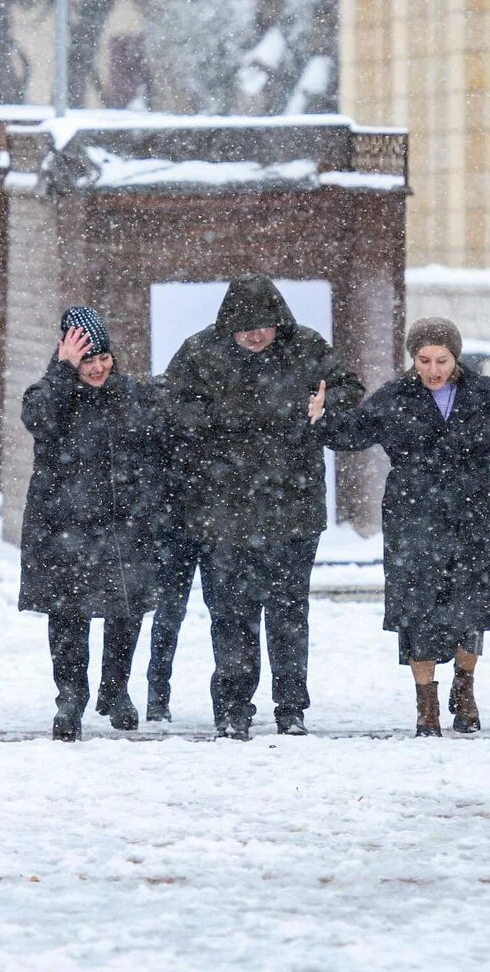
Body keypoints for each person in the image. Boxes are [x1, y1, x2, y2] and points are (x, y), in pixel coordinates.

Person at [314, 318, 490, 736]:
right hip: (412, 513)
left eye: (441, 360)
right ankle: (426, 704)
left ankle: (465, 688)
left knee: (471, 602)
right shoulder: (396, 397)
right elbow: (352, 431)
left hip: (469, 511)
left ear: (455, 357)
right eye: (423, 360)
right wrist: (321, 418)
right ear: (413, 359)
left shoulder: (481, 394)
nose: (433, 369)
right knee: (417, 605)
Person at [162, 277, 365, 738]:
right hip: (221, 508)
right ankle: (233, 707)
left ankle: (291, 706)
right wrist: (218, 422)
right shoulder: (199, 353)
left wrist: (327, 403)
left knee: (289, 610)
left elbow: (350, 389)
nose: (255, 335)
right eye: (243, 327)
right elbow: (170, 408)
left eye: (264, 326)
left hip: (292, 507)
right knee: (230, 612)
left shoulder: (307, 347)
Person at [18, 306, 181, 740]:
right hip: (64, 526)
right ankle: (70, 697)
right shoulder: (51, 394)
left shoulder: (132, 395)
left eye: (102, 357)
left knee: (125, 612)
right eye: (86, 359)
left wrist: (150, 505)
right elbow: (37, 419)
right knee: (68, 617)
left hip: (123, 525)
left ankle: (115, 689)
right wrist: (62, 370)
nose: (97, 368)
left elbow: (161, 449)